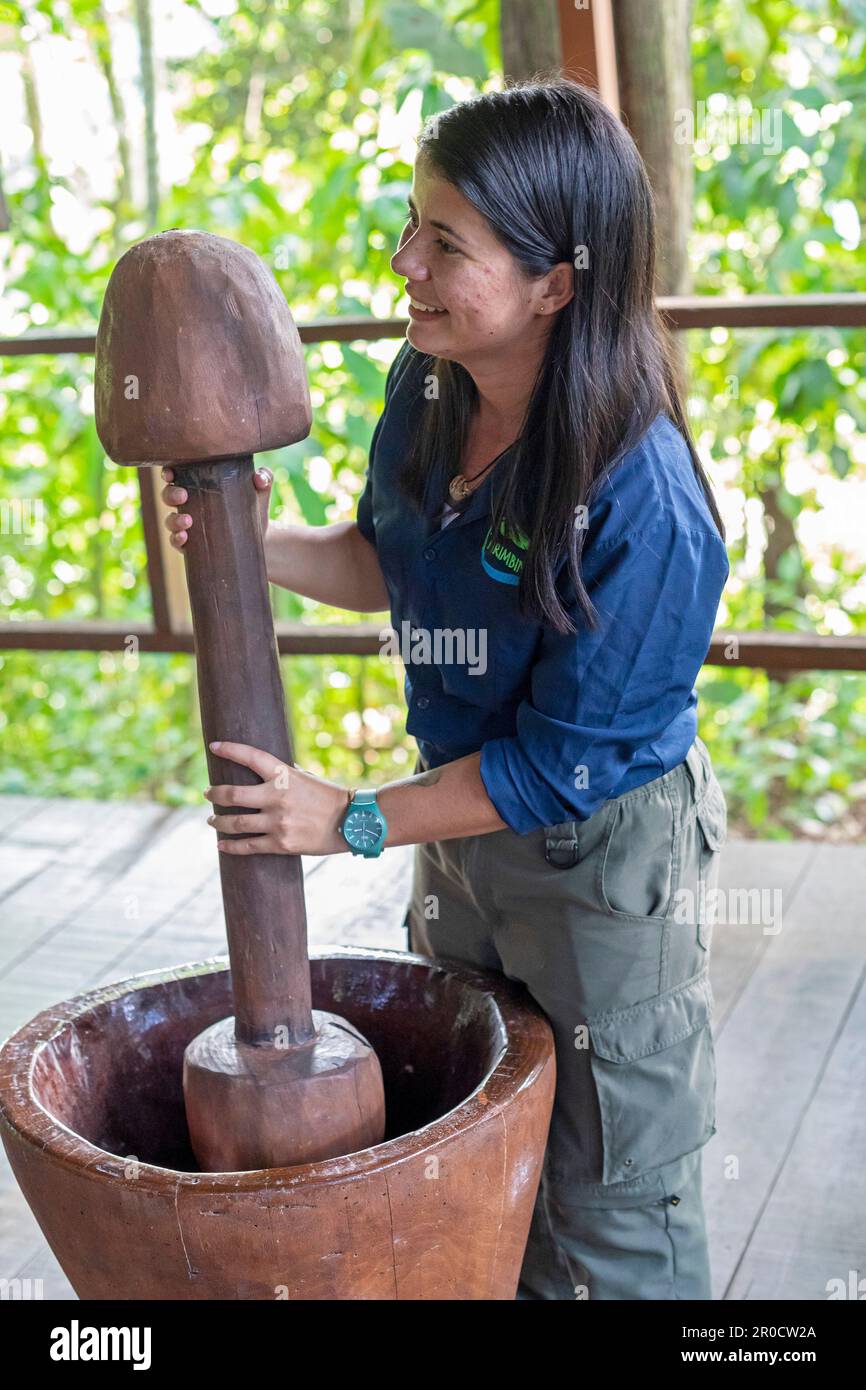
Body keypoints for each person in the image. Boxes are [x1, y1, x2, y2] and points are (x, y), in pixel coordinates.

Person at [162, 77, 729, 1300]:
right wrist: (249, 538)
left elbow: (558, 764)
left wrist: (351, 817)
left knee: (609, 1197)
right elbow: (388, 564)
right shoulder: (426, 388)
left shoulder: (647, 504)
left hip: (592, 855)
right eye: (410, 224)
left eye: (446, 242)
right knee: (488, 1149)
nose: (405, 262)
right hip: (462, 827)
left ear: (555, 282)